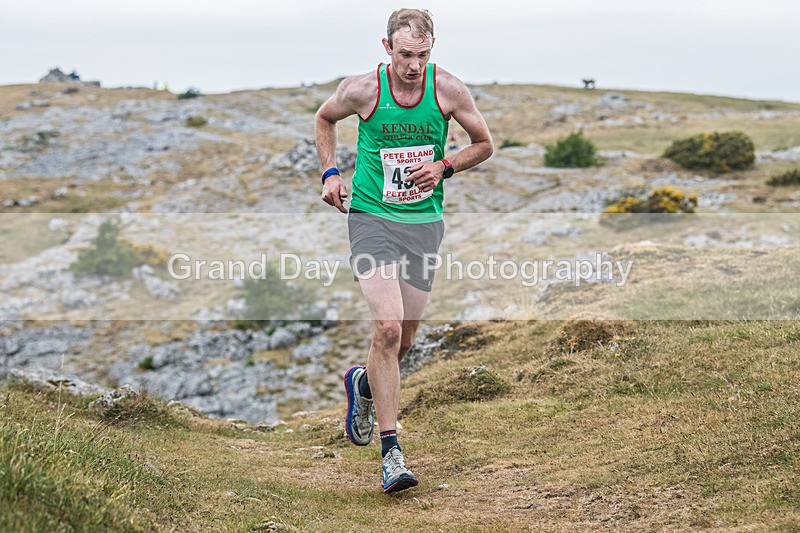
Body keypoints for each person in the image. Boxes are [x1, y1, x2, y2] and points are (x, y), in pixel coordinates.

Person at [314, 8, 493, 494]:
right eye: (405, 54)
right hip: (371, 218)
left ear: (432, 49)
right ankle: (391, 453)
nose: (414, 65)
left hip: (423, 224)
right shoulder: (363, 90)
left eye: (423, 54)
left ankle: (365, 385)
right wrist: (331, 173)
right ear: (387, 48)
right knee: (387, 329)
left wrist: (445, 166)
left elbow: (485, 143)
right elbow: (324, 118)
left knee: (404, 342)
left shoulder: (449, 89)